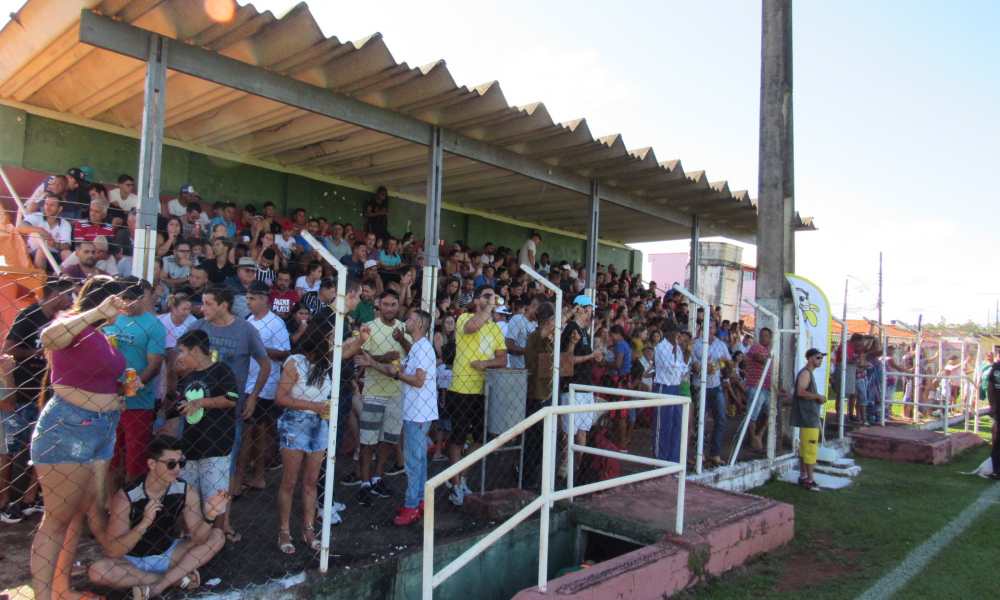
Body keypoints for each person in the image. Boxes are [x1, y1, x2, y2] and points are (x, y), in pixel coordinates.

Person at [31, 276, 127, 600]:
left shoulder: (101, 333)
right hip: (70, 426)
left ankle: (61, 590)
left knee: (76, 514)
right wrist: (97, 311)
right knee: (56, 519)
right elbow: (48, 337)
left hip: (102, 428)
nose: (123, 310)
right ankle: (44, 596)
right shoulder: (72, 323)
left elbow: (97, 377)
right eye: (120, 302)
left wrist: (121, 392)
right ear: (104, 300)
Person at [87, 436, 226, 599]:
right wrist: (143, 524)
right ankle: (175, 579)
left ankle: (159, 586)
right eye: (170, 463)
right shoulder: (127, 496)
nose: (177, 469)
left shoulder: (186, 490)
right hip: (131, 561)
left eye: (181, 463)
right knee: (98, 572)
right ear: (152, 464)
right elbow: (114, 550)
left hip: (168, 554)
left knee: (217, 536)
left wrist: (210, 516)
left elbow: (200, 539)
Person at [188, 285, 270, 543]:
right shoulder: (198, 328)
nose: (203, 309)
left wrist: (253, 396)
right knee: (191, 465)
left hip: (228, 411)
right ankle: (191, 524)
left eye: (209, 303)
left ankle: (223, 523)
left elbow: (265, 363)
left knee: (226, 467)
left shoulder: (245, 330)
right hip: (195, 409)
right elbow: (176, 356)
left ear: (224, 305)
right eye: (202, 303)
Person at [2, 278, 74, 523]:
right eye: (68, 295)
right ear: (55, 294)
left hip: (46, 396)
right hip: (21, 393)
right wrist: (40, 352)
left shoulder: (60, 320)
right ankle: (4, 502)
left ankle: (29, 500)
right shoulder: (28, 315)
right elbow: (9, 349)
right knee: (8, 451)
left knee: (42, 450)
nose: (71, 300)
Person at [358, 309, 436, 525]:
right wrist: (374, 364)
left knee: (413, 461)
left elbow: (419, 380)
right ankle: (419, 500)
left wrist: (397, 374)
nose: (406, 321)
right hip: (419, 411)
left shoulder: (421, 348)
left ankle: (412, 505)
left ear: (419, 325)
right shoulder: (419, 347)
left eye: (410, 319)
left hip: (418, 412)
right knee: (418, 460)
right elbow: (404, 371)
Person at [275, 321, 335, 552]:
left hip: (320, 424)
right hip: (295, 422)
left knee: (311, 480)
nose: (333, 345)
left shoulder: (328, 363)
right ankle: (284, 532)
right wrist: (313, 405)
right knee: (289, 481)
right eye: (329, 340)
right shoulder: (295, 362)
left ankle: (308, 530)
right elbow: (280, 397)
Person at [104, 277, 167, 492]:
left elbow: (154, 365)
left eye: (132, 298)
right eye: (123, 298)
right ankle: (110, 506)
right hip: (106, 402)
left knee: (135, 463)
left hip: (138, 403)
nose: (127, 303)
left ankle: (130, 508)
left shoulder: (154, 326)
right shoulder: (109, 319)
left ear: (144, 297)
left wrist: (129, 386)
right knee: (108, 461)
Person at [236, 281, 291, 496]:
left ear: (264, 299)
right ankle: (258, 476)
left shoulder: (276, 323)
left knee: (247, 432)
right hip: (248, 382)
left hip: (263, 385)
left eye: (252, 298)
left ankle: (238, 481)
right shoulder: (250, 320)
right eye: (247, 298)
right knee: (257, 431)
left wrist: (260, 349)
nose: (247, 302)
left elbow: (286, 354)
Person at [356, 291, 411, 506]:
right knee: (367, 440)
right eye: (385, 304)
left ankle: (378, 479)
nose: (389, 308)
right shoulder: (370, 327)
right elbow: (362, 357)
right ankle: (364, 484)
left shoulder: (405, 329)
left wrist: (403, 344)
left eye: (393, 304)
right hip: (373, 392)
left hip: (396, 393)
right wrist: (382, 358)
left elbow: (414, 356)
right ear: (378, 305)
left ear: (398, 306)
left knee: (388, 439)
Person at [557, 295, 602, 480]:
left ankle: (580, 465)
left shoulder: (585, 331)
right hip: (572, 385)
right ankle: (566, 463)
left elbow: (585, 357)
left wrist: (595, 357)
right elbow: (566, 360)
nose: (592, 312)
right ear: (582, 308)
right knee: (570, 429)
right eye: (590, 308)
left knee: (583, 428)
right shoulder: (570, 329)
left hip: (585, 385)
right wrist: (590, 357)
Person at [523, 302, 556, 492]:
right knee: (533, 440)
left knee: (544, 441)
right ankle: (528, 478)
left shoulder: (551, 340)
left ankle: (534, 474)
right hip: (535, 394)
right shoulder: (535, 336)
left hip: (548, 393)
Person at [691, 320, 732, 467]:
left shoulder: (721, 345)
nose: (709, 329)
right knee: (699, 420)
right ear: (702, 328)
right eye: (706, 327)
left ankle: (715, 453)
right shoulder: (696, 344)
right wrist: (703, 368)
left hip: (715, 385)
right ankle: (699, 453)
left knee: (720, 419)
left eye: (712, 327)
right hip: (699, 386)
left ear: (715, 329)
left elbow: (730, 365)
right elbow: (694, 367)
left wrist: (727, 362)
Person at [652, 322, 689, 463]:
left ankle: (672, 461)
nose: (678, 337)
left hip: (675, 387)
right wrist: (681, 357)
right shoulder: (661, 348)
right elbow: (671, 367)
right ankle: (659, 461)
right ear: (668, 333)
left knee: (676, 425)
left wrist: (686, 353)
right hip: (664, 386)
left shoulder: (677, 348)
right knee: (663, 426)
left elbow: (683, 369)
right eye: (676, 334)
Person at [792, 349, 828, 491]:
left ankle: (803, 476)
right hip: (808, 417)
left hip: (809, 416)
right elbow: (800, 392)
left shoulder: (808, 373)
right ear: (811, 358)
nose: (820, 360)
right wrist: (818, 397)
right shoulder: (805, 373)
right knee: (810, 449)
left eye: (821, 358)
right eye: (818, 357)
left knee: (805, 448)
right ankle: (810, 480)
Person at [16, 194, 73, 271]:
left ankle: (65, 280)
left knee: (67, 253)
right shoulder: (36, 216)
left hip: (54, 255)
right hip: (34, 254)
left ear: (60, 208)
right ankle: (42, 280)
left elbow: (67, 246)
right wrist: (41, 230)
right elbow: (20, 227)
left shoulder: (65, 224)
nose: (48, 207)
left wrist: (54, 244)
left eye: (52, 205)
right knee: (41, 250)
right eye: (46, 204)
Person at [745, 328, 774, 453]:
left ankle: (759, 436)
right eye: (762, 336)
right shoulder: (756, 347)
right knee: (752, 415)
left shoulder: (768, 351)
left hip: (766, 387)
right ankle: (753, 441)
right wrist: (765, 360)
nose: (763, 338)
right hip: (755, 386)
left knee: (771, 413)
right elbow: (757, 357)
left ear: (770, 337)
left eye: (766, 336)